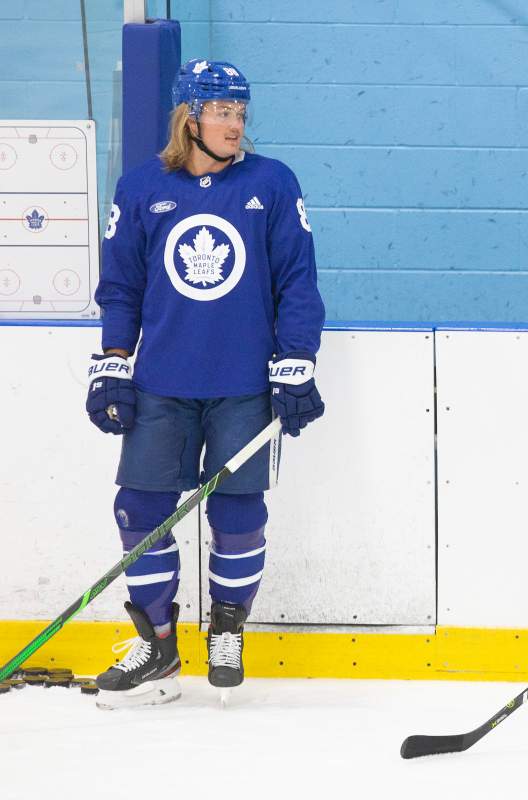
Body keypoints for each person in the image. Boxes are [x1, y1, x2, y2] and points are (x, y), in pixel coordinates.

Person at [85, 58, 325, 708]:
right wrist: (113, 361)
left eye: (241, 114)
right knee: (139, 511)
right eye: (222, 112)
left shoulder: (272, 184)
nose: (235, 126)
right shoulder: (139, 189)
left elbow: (297, 282)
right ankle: (158, 646)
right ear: (188, 118)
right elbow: (121, 287)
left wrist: (296, 358)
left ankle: (226, 626)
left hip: (243, 385)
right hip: (161, 382)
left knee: (238, 513)